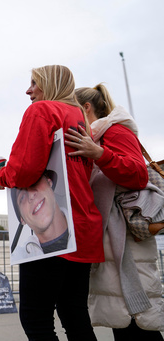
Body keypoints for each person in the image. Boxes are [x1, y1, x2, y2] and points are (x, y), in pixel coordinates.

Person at [0, 65, 103, 340]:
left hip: (52, 233)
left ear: (51, 85)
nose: (28, 90)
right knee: (75, 314)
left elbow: (25, 170)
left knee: (35, 317)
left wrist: (1, 175)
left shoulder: (41, 111)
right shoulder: (79, 118)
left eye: (35, 83)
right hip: (83, 225)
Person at [65, 83, 164, 340]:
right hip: (113, 233)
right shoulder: (97, 135)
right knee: (122, 315)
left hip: (126, 234)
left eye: (72, 109)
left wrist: (99, 153)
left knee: (138, 317)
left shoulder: (115, 131)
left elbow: (138, 174)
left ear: (86, 108)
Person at [11, 170, 70, 258]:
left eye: (35, 182)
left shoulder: (86, 228)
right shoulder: (19, 256)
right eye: (22, 197)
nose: (31, 195)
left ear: (49, 182)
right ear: (22, 219)